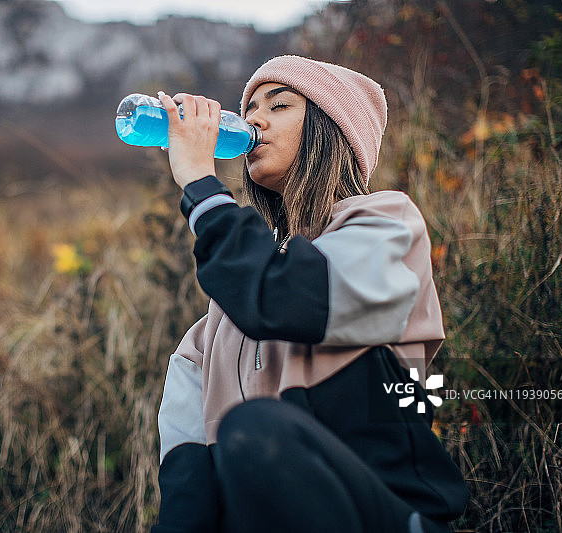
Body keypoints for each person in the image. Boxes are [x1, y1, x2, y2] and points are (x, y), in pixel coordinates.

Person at [151, 55, 469, 533]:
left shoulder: (387, 228)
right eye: (250, 107)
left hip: (383, 514)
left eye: (279, 106)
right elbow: (187, 494)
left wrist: (200, 181)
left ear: (330, 129)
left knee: (254, 429)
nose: (253, 119)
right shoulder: (208, 335)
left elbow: (287, 297)